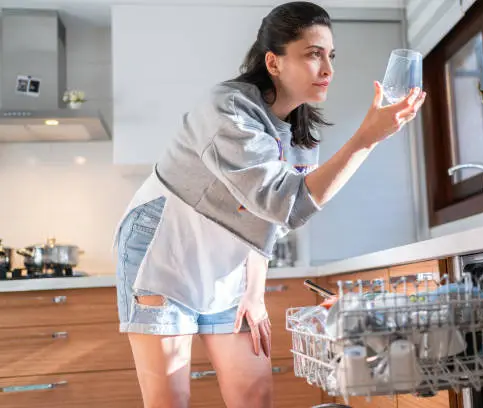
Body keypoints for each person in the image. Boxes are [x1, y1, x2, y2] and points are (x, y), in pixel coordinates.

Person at [113, 2, 426, 407]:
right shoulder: (228, 111)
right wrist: (366, 138)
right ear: (274, 63)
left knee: (254, 394)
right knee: (169, 401)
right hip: (162, 249)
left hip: (228, 261)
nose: (328, 68)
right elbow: (287, 205)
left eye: (330, 56)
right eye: (313, 54)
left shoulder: (298, 131)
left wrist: (254, 292)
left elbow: (269, 220)